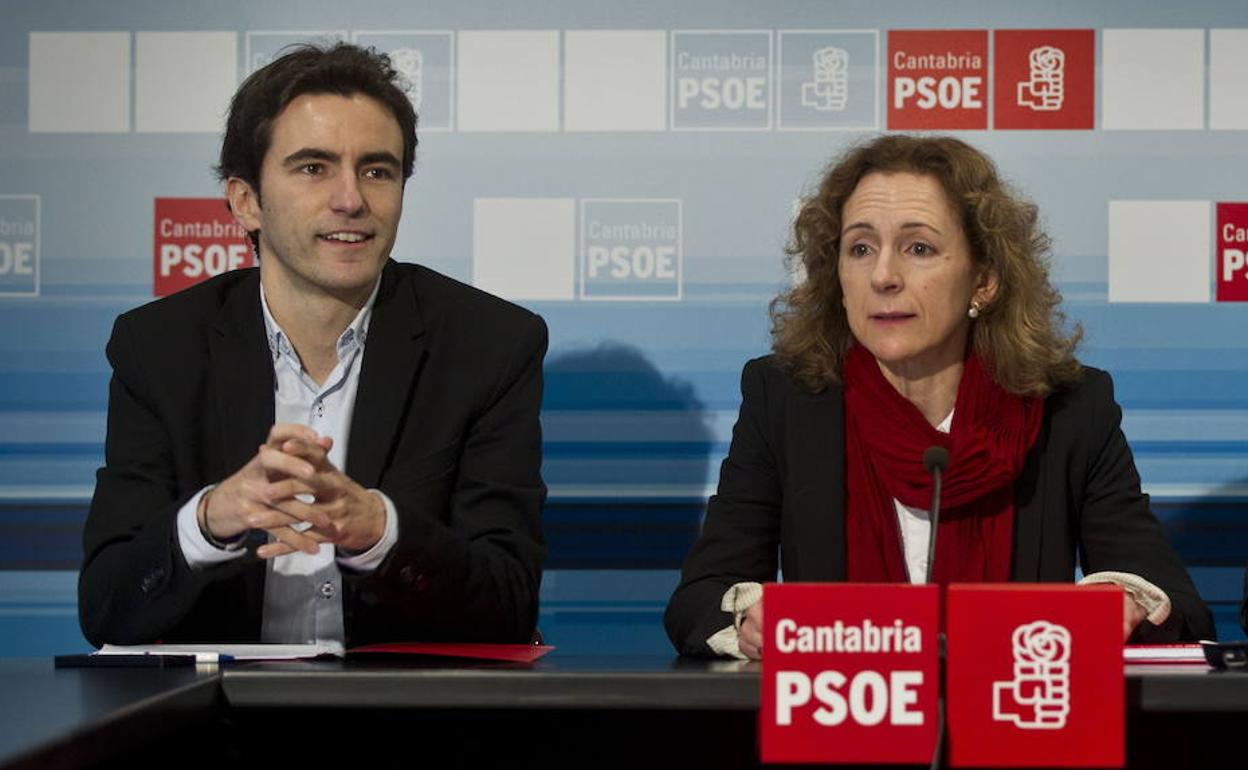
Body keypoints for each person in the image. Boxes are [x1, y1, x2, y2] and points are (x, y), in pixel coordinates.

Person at [665, 135, 1213, 659]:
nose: (882, 275)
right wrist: (752, 621)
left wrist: (1124, 604)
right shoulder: (788, 398)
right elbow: (699, 599)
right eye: (860, 248)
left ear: (984, 281)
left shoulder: (1069, 408)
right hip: (839, 731)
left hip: (1018, 734)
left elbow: (1178, 607)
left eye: (919, 248)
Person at [78, 43, 547, 648]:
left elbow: (508, 604)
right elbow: (106, 609)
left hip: (410, 724)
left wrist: (377, 531)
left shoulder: (488, 345)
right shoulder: (159, 348)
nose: (351, 199)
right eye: (313, 168)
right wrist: (210, 519)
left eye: (377, 170)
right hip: (220, 724)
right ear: (246, 201)